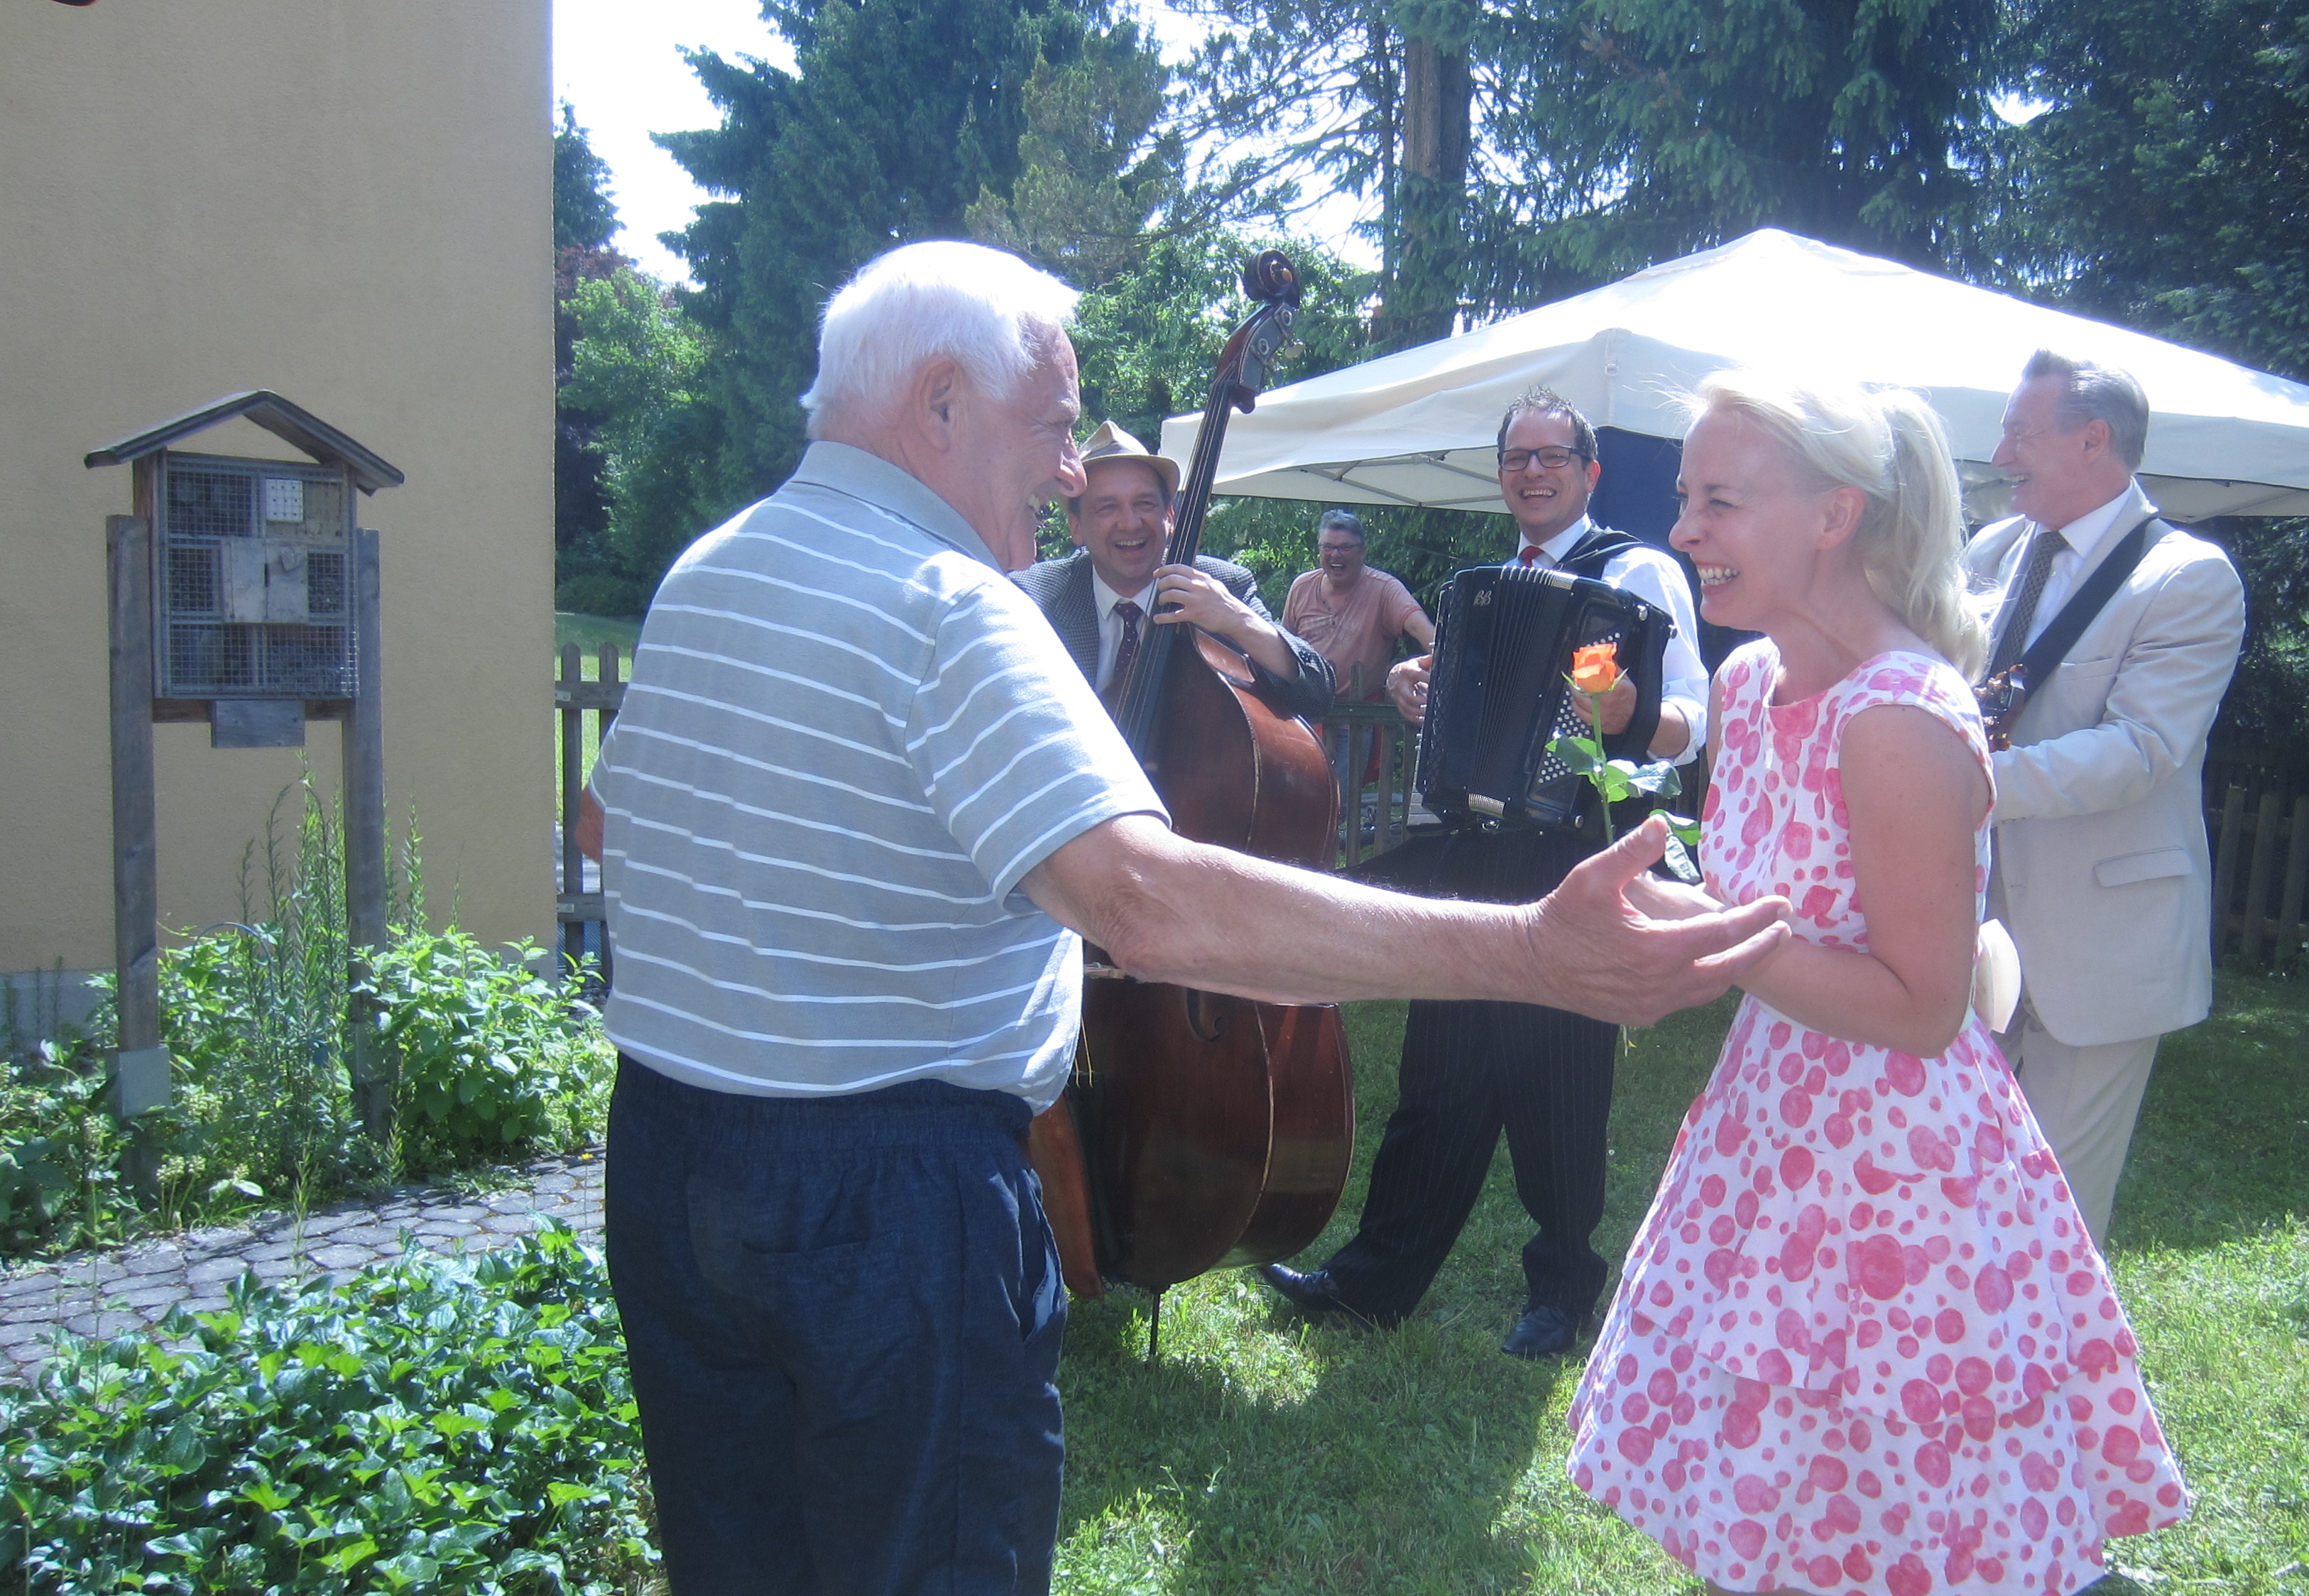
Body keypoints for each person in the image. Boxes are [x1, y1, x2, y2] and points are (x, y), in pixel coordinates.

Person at [581, 241, 1789, 1596]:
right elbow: (1146, 905)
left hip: (671, 1158)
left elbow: (605, 827)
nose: (1064, 474)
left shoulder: (710, 570)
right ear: (936, 403)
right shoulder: (948, 604)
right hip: (888, 1196)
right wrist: (1526, 950)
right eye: (1051, 429)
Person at [1568, 370, 2187, 1596]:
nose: (1684, 530)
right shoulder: (1748, 686)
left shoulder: (1902, 715)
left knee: (1920, 1504)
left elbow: (1921, 1003)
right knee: (1795, 1487)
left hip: (1898, 1172)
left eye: (1720, 500)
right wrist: (1669, 907)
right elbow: (1768, 896)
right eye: (1688, 498)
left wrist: (1719, 932)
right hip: (1773, 1125)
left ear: (1835, 515)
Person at [1262, 388, 1710, 1359]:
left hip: (1578, 845)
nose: (1533, 471)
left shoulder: (1636, 572)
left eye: (1553, 456)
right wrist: (1410, 688)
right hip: (1481, 846)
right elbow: (1457, 716)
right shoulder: (1488, 584)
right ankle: (1376, 1278)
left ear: (1589, 472)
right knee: (1440, 1067)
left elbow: (1690, 722)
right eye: (1517, 458)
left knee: (1557, 1071)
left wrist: (1626, 713)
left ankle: (1563, 1287)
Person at [1966, 351, 2245, 1245]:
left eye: (2020, 430)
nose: (2001, 448)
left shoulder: (2188, 577)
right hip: (1965, 926)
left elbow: (2141, 750)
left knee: (2054, 1216)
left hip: (2100, 942)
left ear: (2092, 440)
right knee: (1958, 1188)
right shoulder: (1993, 548)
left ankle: (2048, 1384)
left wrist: (1962, 786)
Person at [1014, 421, 1333, 718]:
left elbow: (1318, 695)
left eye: (1145, 504)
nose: (1130, 523)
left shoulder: (1222, 584)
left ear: (1170, 517)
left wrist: (1238, 620)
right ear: (1076, 528)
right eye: (1107, 507)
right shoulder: (1035, 597)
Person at [1279, 508, 1434, 701]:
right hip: (1305, 711)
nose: (1336, 555)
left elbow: (1420, 629)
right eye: (1327, 547)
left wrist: (1448, 667)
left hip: (1359, 718)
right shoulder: (1302, 587)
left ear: (1363, 552)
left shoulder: (1384, 589)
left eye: (1345, 548)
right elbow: (1283, 647)